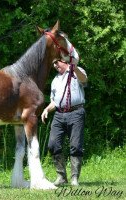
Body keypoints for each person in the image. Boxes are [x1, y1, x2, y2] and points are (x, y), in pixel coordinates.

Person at [41, 58, 88, 186]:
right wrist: (46, 109)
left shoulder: (76, 72)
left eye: (57, 62)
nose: (55, 65)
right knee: (52, 144)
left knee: (75, 145)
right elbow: (54, 102)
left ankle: (74, 178)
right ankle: (61, 177)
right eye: (53, 63)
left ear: (65, 61)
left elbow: (84, 80)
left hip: (76, 113)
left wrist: (73, 67)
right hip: (59, 115)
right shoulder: (55, 80)